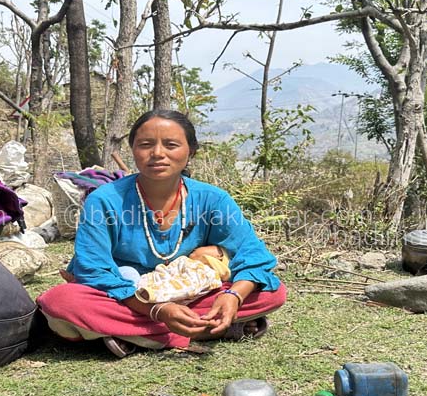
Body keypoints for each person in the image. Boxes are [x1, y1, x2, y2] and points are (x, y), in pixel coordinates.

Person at [36, 109, 287, 357]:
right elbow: (93, 270)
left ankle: (131, 335)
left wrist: (233, 296)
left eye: (171, 145)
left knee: (272, 293)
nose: (157, 153)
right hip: (124, 297)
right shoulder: (104, 200)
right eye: (146, 144)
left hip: (188, 295)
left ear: (191, 151)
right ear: (133, 149)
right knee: (61, 301)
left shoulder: (213, 199)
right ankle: (202, 330)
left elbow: (253, 255)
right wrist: (158, 310)